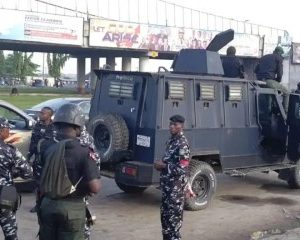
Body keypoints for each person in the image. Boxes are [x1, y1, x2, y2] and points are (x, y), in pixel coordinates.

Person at [37, 103, 101, 240]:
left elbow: (40, 176)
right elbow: (95, 188)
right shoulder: (85, 152)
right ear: (78, 128)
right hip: (71, 210)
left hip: (47, 205)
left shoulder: (46, 147)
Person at [154, 115, 191, 240]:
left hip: (175, 191)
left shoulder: (182, 144)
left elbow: (182, 169)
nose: (172, 126)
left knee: (173, 227)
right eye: (171, 124)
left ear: (182, 126)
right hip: (167, 189)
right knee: (165, 224)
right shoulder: (172, 140)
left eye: (175, 124)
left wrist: (163, 166)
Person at [0, 117, 33, 240]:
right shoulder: (10, 151)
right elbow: (28, 173)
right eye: (7, 129)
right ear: (1, 131)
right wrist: (13, 172)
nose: (9, 132)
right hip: (5, 197)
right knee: (10, 234)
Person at [28, 107, 55, 213]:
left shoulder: (54, 127)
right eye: (40, 113)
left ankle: (48, 204)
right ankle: (38, 204)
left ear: (49, 115)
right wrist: (29, 155)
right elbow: (33, 142)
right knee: (38, 183)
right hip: (38, 160)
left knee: (50, 183)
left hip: (49, 160)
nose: (40, 115)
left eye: (43, 113)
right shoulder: (37, 126)